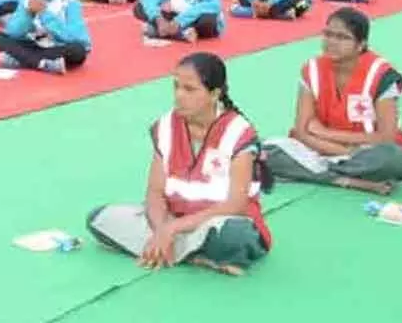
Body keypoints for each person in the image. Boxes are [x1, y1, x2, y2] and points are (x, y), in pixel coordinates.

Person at [86, 52, 273, 276]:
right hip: (172, 220)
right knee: (99, 218)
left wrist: (173, 230)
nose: (179, 96)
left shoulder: (238, 133)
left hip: (214, 224)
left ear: (215, 94)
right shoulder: (165, 127)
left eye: (189, 89)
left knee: (235, 237)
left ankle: (172, 250)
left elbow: (235, 204)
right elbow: (155, 193)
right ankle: (187, 253)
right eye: (176, 87)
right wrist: (161, 230)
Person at [262, 7, 402, 195]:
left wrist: (326, 134)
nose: (331, 42)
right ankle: (345, 180)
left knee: (396, 159)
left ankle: (320, 173)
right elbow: (302, 129)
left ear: (361, 44)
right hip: (320, 151)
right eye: (328, 34)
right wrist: (342, 152)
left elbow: (385, 137)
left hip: (367, 153)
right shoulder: (312, 69)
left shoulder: (381, 75)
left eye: (342, 37)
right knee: (262, 152)